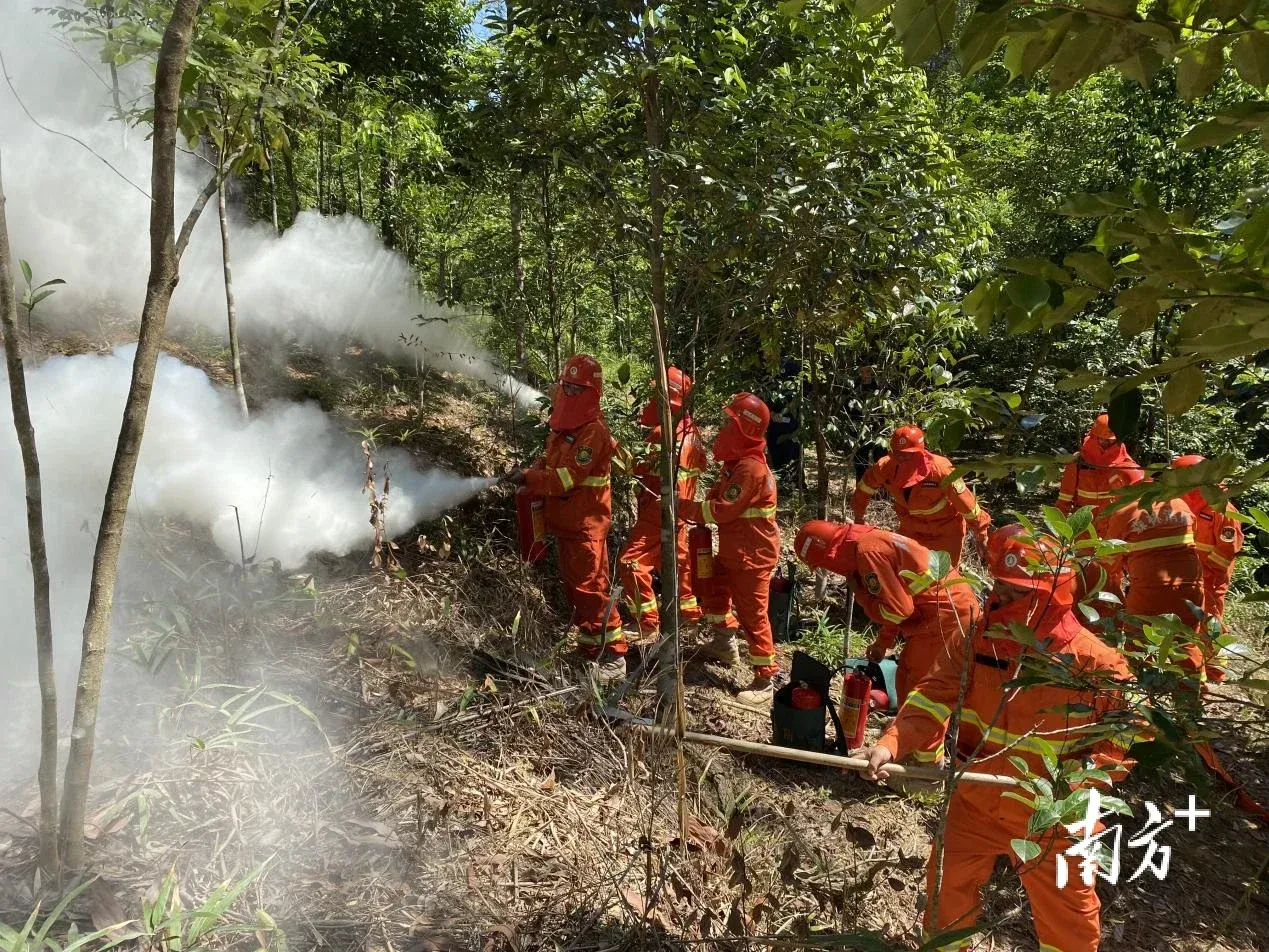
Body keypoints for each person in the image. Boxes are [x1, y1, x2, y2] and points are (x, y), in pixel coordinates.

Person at [858, 525, 1141, 952]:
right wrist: (892, 742)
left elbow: (1116, 743)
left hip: (1055, 818)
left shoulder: (1095, 664)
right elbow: (934, 697)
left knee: (1069, 924)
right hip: (975, 801)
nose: (1002, 601)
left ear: (1054, 594)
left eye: (1018, 593)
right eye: (1001, 588)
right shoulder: (975, 637)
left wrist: (1075, 788)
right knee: (944, 900)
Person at [795, 520, 980, 765]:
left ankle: (925, 766)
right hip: (936, 619)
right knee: (905, 679)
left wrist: (862, 595)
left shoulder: (867, 553)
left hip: (947, 620)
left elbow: (898, 609)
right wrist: (883, 642)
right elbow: (898, 596)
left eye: (823, 565)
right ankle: (909, 747)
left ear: (829, 553)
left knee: (923, 693)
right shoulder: (867, 543)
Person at [506, 355, 624, 680]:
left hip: (586, 526)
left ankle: (614, 659)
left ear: (591, 392)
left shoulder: (593, 433)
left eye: (576, 386)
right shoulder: (564, 428)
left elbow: (565, 479)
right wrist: (532, 469)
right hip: (569, 524)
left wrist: (529, 477)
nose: (568, 391)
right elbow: (549, 462)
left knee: (591, 590)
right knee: (577, 590)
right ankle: (591, 649)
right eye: (566, 384)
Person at [678, 393, 782, 705]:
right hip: (734, 550)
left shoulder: (750, 468)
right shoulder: (735, 465)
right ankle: (724, 643)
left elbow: (723, 509)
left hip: (753, 556)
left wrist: (683, 507)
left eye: (730, 422)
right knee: (714, 594)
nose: (724, 428)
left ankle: (766, 680)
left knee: (753, 616)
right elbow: (716, 497)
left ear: (744, 429)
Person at [618, 368, 708, 643]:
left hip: (657, 512)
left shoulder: (664, 435)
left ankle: (647, 623)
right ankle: (688, 621)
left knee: (630, 563)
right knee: (677, 565)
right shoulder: (692, 432)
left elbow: (636, 467)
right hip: (680, 512)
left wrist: (615, 448)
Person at [1100, 490, 1207, 678]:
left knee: (1138, 639)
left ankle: (1142, 689)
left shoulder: (1124, 512)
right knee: (1186, 642)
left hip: (1148, 591)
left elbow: (1107, 562)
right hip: (1191, 585)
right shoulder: (1181, 505)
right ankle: (1193, 696)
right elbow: (1192, 539)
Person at [851, 425, 990, 566]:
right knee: (909, 574)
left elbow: (967, 505)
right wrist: (858, 516)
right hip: (911, 529)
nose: (902, 459)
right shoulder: (885, 467)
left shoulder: (940, 470)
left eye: (907, 454)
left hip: (945, 531)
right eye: (898, 453)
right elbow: (864, 489)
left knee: (943, 578)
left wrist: (981, 534)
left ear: (920, 452)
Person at [1171, 454, 1244, 626]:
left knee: (1209, 618)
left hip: (1210, 577)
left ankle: (1210, 652)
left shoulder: (1222, 509)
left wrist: (1207, 575)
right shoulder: (1180, 500)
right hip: (1183, 573)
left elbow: (1227, 549)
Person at [1056, 413, 1144, 519]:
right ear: (1094, 436)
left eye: (1112, 439)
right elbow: (1064, 497)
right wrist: (1059, 527)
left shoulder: (1125, 461)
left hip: (1111, 521)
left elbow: (1139, 490)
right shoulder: (1079, 462)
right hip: (1085, 521)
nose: (1108, 442)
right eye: (1104, 438)